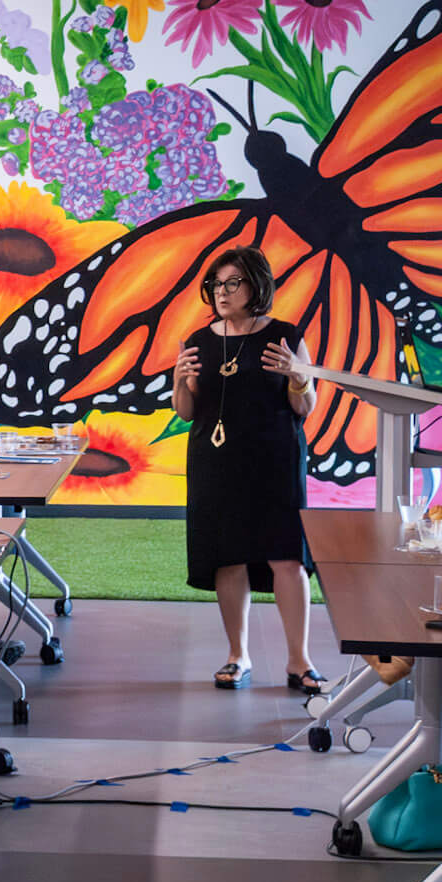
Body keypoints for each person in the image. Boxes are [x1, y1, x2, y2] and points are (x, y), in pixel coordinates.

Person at [169, 248, 324, 695]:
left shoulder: (285, 337)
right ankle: (238, 655)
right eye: (216, 284)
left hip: (275, 461)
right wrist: (178, 381)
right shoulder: (198, 341)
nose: (222, 292)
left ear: (256, 285)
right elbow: (186, 412)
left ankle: (299, 661)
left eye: (232, 283)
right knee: (228, 556)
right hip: (215, 462)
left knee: (287, 558)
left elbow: (305, 407)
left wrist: (297, 375)